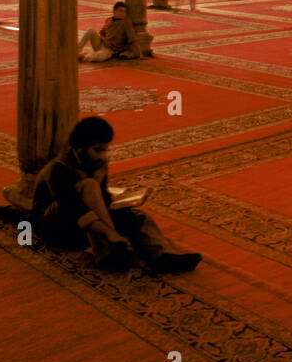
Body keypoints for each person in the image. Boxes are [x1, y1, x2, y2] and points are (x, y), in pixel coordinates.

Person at [29, 116, 201, 273]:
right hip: (55, 226)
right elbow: (74, 208)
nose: (103, 156)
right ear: (79, 148)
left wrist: (121, 209)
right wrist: (110, 233)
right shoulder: (58, 169)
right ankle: (106, 255)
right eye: (97, 150)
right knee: (89, 186)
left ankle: (161, 257)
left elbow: (102, 200)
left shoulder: (98, 163)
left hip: (83, 223)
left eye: (105, 150)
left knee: (137, 217)